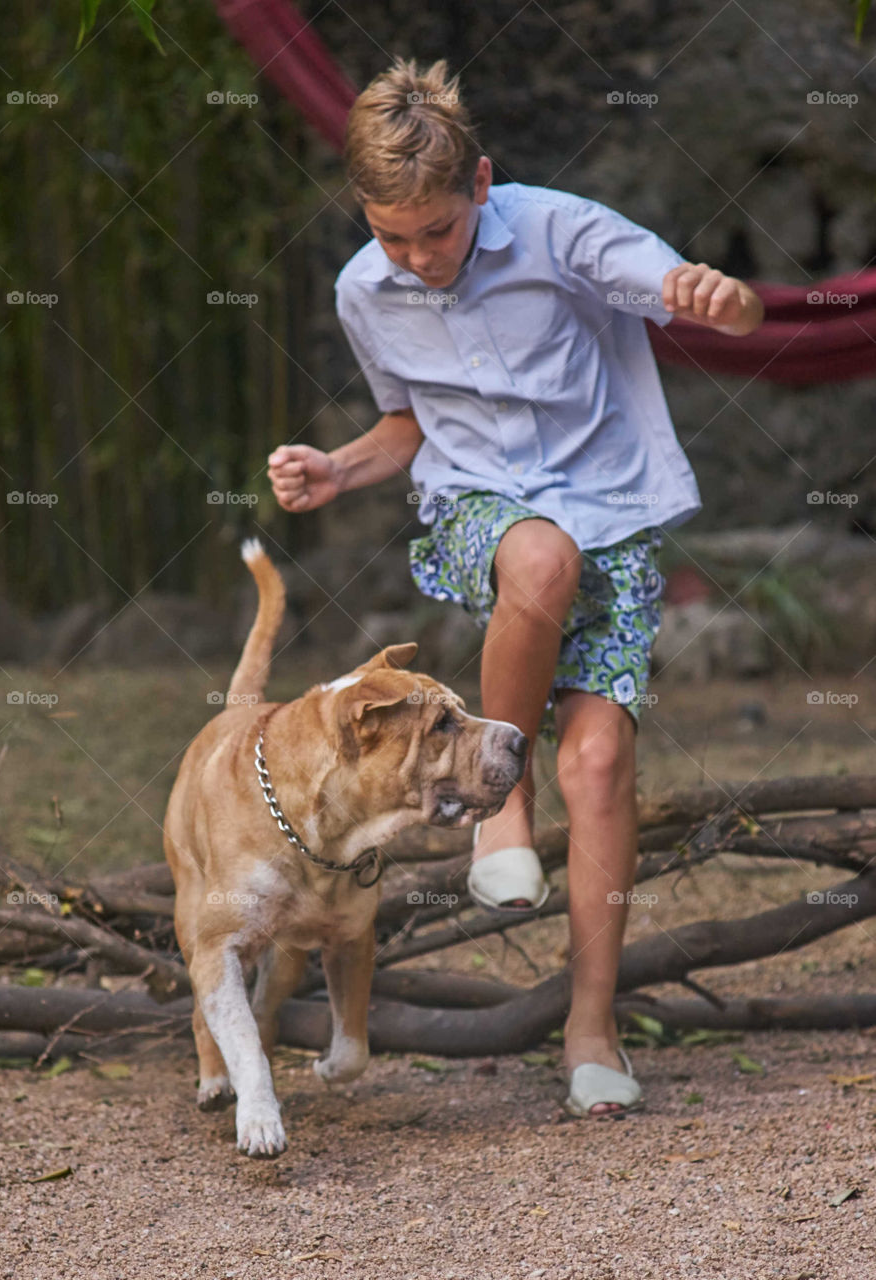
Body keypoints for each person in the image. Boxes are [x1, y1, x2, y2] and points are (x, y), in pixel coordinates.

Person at [268, 57, 764, 1116]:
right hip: (477, 515)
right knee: (536, 554)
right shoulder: (368, 287)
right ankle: (502, 798)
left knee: (601, 764)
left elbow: (703, 299)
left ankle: (591, 1023)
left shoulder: (560, 232)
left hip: (615, 515)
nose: (414, 256)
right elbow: (408, 422)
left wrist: (723, 301)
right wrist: (336, 467)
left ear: (480, 183)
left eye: (434, 232)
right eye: (389, 233)